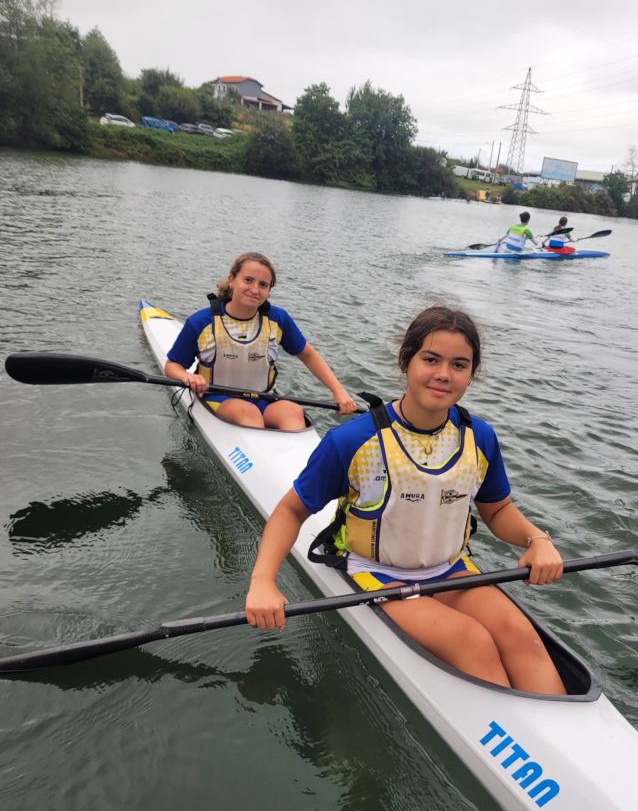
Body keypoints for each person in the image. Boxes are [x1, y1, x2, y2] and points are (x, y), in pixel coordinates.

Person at [245, 306, 567, 696]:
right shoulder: (352, 440)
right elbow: (291, 510)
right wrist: (263, 582)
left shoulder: (479, 437)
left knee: (522, 636)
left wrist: (538, 540)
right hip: (378, 573)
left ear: (471, 374)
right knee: (471, 640)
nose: (444, 374)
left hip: (450, 570)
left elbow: (497, 510)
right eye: (431, 359)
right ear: (406, 361)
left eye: (459, 364)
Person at [165, 251, 357, 430]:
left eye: (263, 285)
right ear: (232, 280)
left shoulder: (277, 319)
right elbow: (172, 365)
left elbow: (308, 354)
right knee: (248, 413)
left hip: (262, 397)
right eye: (248, 280)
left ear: (269, 290)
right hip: (215, 397)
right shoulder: (201, 322)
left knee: (293, 411)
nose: (255, 290)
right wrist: (187, 377)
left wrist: (338, 391)